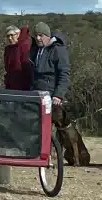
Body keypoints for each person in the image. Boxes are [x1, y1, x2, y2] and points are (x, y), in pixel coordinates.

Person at [29, 22, 89, 165]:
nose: (38, 38)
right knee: (38, 125)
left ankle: (48, 156)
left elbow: (64, 74)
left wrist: (58, 95)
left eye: (41, 35)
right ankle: (39, 154)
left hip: (51, 95)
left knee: (52, 127)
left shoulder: (58, 50)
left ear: (47, 35)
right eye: (36, 35)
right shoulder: (37, 50)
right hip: (37, 92)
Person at [3, 24, 33, 90]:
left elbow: (27, 68)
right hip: (10, 86)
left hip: (23, 86)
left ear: (18, 34)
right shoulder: (8, 49)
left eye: (12, 35)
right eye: (8, 36)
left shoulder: (25, 46)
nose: (9, 38)